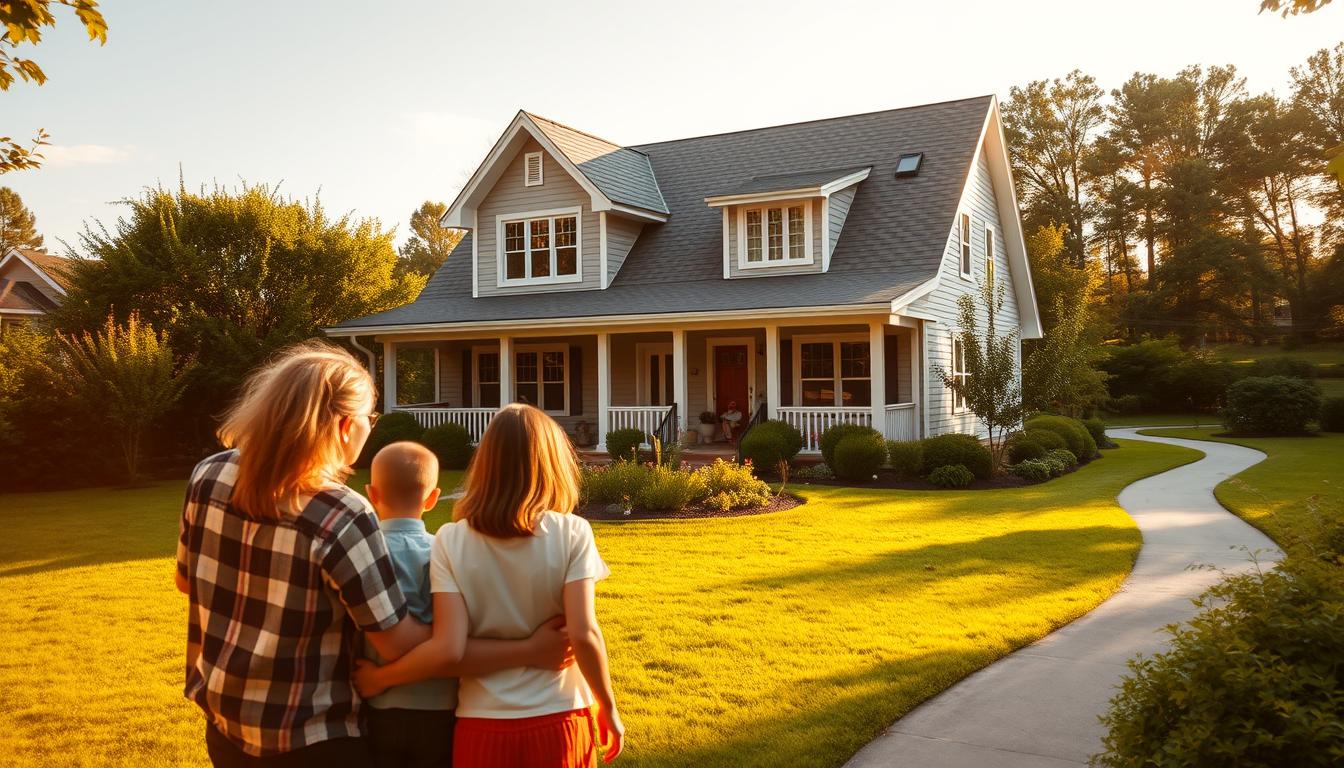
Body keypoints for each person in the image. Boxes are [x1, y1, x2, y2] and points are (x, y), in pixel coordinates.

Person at [175, 341, 570, 768]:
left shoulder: (209, 473)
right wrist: (524, 648)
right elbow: (398, 641)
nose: (370, 426)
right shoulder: (339, 512)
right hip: (309, 736)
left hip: (223, 719)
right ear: (345, 426)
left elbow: (187, 580)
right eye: (369, 418)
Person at [354, 403, 624, 767]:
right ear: (552, 462)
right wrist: (607, 706)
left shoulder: (450, 539)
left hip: (481, 724)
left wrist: (382, 678)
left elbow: (449, 648)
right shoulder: (572, 532)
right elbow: (583, 632)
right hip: (559, 716)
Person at [362, 441, 456, 768]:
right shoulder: (442, 552)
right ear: (432, 499)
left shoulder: (364, 554)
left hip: (379, 704)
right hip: (440, 705)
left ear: (372, 495)